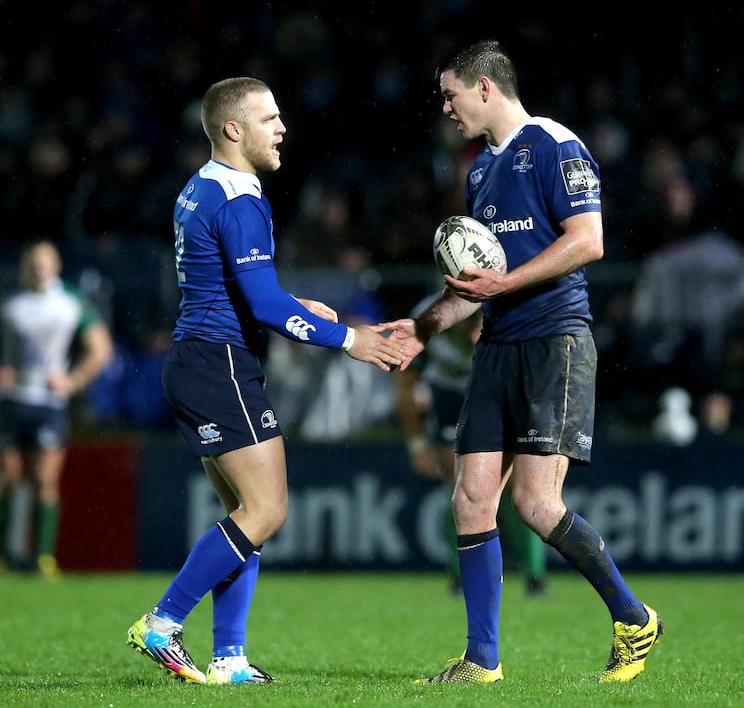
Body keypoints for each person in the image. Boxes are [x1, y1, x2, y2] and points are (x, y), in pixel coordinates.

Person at [384, 40, 662, 685]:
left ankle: (633, 618)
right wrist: (424, 327)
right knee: (470, 499)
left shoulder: (556, 145)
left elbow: (587, 241)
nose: (446, 108)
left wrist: (503, 288)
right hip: (497, 348)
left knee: (536, 504)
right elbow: (479, 283)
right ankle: (481, 660)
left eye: (451, 95)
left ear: (485, 88)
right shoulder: (480, 171)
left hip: (553, 342)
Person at [125, 77, 405, 686]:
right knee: (268, 509)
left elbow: (232, 287)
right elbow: (262, 305)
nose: (282, 129)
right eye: (269, 118)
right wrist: (351, 340)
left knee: (244, 514)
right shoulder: (239, 198)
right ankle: (163, 621)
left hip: (199, 361)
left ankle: (229, 660)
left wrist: (291, 301)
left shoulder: (200, 188)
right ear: (234, 129)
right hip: (220, 365)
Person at [394, 293, 549, 596]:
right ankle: (460, 577)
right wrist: (417, 445)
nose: (474, 338)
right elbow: (406, 385)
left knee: (516, 488)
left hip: (502, 396)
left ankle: (535, 576)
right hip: (451, 400)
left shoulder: (508, 312)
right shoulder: (427, 318)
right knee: (460, 488)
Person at [0, 240, 114, 578]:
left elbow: (100, 347)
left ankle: (43, 557)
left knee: (44, 479)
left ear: (56, 267)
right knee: (8, 476)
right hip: (12, 398)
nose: (39, 270)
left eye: (44, 263)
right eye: (33, 264)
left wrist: (73, 380)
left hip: (49, 403)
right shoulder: (11, 302)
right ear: (24, 267)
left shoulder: (69, 303)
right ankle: (5, 555)